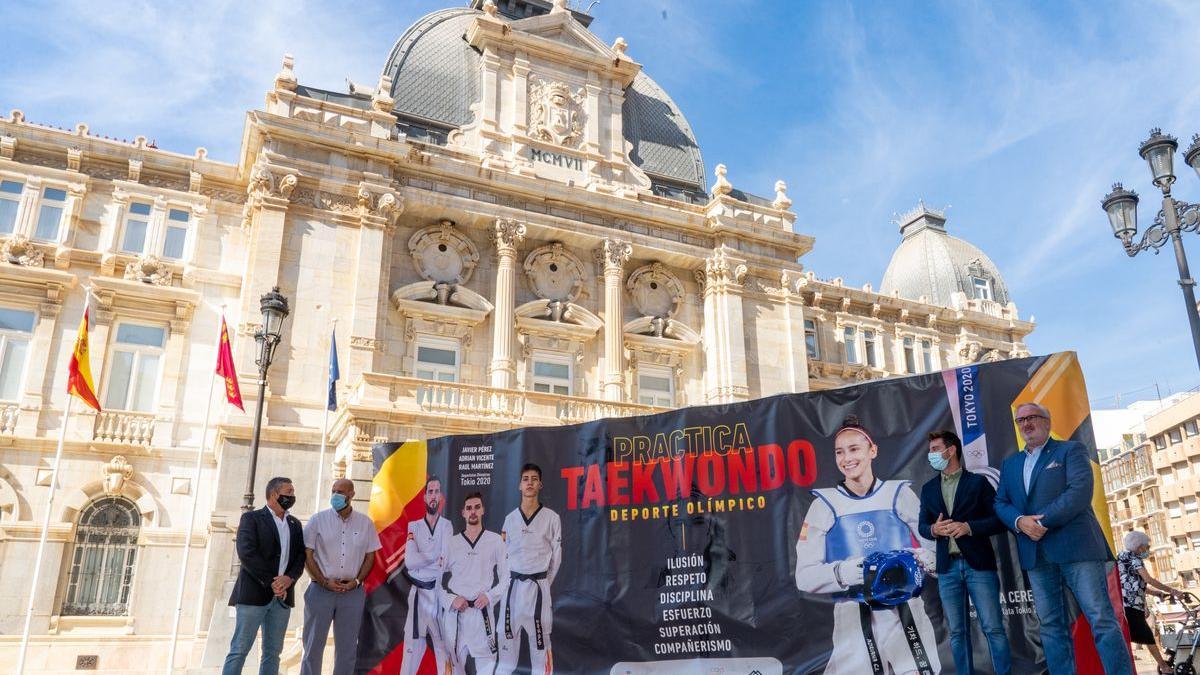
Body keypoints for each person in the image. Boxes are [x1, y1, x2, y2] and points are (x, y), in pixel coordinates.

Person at [994, 402, 1133, 675]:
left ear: (1047, 421)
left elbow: (1080, 491)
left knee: (1101, 619)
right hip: (1036, 554)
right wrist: (1020, 522)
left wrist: (1041, 521)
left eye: (1032, 417)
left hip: (1076, 549)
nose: (1026, 424)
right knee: (1050, 626)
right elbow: (1001, 502)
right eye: (1021, 420)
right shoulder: (1011, 463)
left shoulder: (1070, 450)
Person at [795, 416, 941, 675]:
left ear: (872, 450)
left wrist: (922, 559)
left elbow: (936, 553)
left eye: (854, 449)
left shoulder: (899, 494)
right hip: (854, 614)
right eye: (839, 452)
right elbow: (804, 577)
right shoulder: (824, 505)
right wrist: (848, 572)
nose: (846, 458)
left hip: (904, 611)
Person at [918, 430, 1011, 675]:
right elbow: (922, 527)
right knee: (957, 632)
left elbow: (999, 520)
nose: (932, 454)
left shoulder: (978, 483)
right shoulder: (928, 489)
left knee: (993, 628)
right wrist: (934, 529)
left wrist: (969, 527)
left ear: (952, 450)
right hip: (947, 569)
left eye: (936, 449)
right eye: (930, 450)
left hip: (978, 565)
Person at [223, 477, 305, 675]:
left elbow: (300, 556)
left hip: (282, 598)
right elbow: (247, 553)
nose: (293, 496)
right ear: (275, 494)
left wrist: (289, 579)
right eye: (289, 492)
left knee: (273, 653)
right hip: (253, 595)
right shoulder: (252, 518)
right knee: (240, 649)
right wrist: (272, 582)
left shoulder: (294, 524)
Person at [301, 478, 381, 675]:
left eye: (341, 491)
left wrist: (357, 581)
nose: (336, 495)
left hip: (352, 593)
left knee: (347, 650)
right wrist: (323, 581)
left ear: (352, 494)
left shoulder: (365, 523)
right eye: (333, 490)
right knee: (313, 647)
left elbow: (371, 556)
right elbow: (307, 554)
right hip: (320, 591)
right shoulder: (317, 520)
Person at [496, 463, 562, 675]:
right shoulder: (509, 519)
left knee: (541, 657)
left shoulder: (552, 518)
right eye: (526, 479)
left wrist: (542, 583)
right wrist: (508, 584)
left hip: (538, 591)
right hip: (512, 592)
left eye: (534, 479)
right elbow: (502, 559)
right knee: (506, 658)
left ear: (540, 484)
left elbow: (556, 559)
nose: (530, 482)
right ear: (519, 485)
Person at [441, 492, 508, 675]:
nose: (473, 511)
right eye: (469, 508)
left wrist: (490, 596)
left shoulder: (495, 541)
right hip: (455, 616)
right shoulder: (451, 543)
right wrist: (450, 599)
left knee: (487, 671)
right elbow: (435, 581)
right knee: (452, 670)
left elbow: (506, 578)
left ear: (483, 511)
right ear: (463, 512)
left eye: (477, 507)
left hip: (482, 616)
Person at [400, 475, 451, 675]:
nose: (433, 496)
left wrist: (423, 556)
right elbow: (410, 562)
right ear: (424, 497)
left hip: (438, 594)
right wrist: (433, 556)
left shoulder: (446, 526)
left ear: (441, 497)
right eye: (430, 491)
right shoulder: (414, 526)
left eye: (437, 491)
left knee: (443, 651)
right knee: (410, 653)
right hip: (418, 596)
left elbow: (444, 562)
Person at [1119, 530, 1181, 674]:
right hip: (1132, 605)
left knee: (1137, 636)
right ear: (1139, 546)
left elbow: (1134, 584)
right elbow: (1148, 579)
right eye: (1146, 547)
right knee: (1147, 636)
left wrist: (1155, 592)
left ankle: (1161, 666)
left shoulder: (1122, 558)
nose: (1148, 550)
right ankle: (1165, 667)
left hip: (1126, 603)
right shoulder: (1135, 559)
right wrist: (1172, 590)